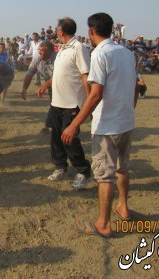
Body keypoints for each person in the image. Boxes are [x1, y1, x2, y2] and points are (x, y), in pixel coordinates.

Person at [60, 13, 137, 237]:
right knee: (123, 167)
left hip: (107, 125)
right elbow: (134, 87)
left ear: (91, 31)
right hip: (126, 121)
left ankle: (103, 223)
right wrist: (129, 110)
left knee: (105, 175)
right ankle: (123, 206)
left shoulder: (100, 54)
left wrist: (75, 123)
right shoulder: (127, 53)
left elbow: (95, 95)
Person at [38, 18, 92, 189]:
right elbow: (60, 73)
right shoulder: (62, 48)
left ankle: (84, 171)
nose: (56, 31)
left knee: (69, 139)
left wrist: (89, 104)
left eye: (57, 28)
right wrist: (46, 85)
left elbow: (86, 77)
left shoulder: (79, 48)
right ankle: (60, 167)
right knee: (55, 138)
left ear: (61, 30)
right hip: (57, 103)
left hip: (72, 103)